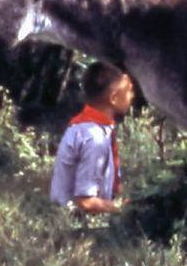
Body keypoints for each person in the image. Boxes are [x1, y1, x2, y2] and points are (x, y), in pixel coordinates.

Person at [49, 62, 134, 215]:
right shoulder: (94, 138)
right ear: (114, 98)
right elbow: (85, 202)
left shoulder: (88, 127)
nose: (132, 96)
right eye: (129, 90)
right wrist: (123, 209)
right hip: (75, 225)